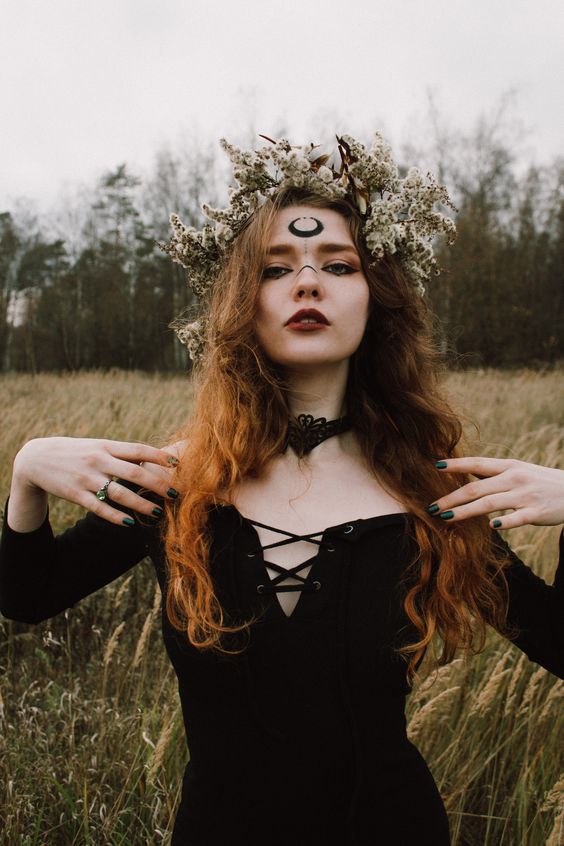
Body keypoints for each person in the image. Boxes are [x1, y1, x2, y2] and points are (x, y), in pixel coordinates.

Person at [1, 134, 563, 846]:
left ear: (376, 299)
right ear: (244, 301)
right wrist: (26, 473)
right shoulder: (179, 483)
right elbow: (28, 598)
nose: (307, 283)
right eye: (275, 268)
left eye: (339, 264)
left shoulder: (433, 495)